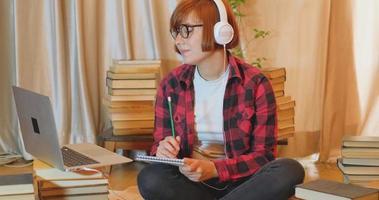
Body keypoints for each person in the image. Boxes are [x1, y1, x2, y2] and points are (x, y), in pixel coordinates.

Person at [137, 0, 304, 199]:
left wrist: (215, 169)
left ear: (220, 31)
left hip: (244, 183)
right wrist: (162, 150)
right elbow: (158, 145)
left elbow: (263, 156)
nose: (178, 41)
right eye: (177, 32)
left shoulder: (256, 84)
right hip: (191, 184)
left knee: (290, 170)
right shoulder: (171, 84)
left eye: (187, 30)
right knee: (150, 178)